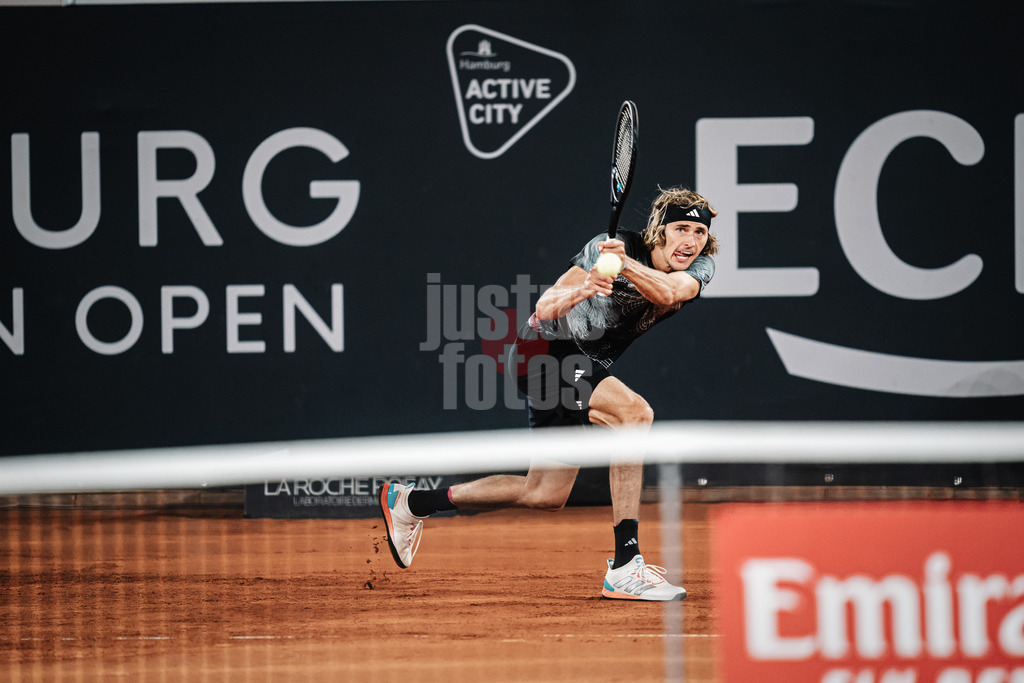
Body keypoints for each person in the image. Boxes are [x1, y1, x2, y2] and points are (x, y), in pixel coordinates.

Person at [380, 186, 717, 601]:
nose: (690, 241)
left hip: (580, 362)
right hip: (543, 350)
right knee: (634, 415)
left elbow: (668, 292)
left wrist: (623, 266)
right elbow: (545, 306)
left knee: (544, 493)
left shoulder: (697, 267)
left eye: (699, 232)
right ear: (658, 230)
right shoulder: (608, 245)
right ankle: (626, 565)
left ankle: (412, 502)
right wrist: (586, 286)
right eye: (680, 228)